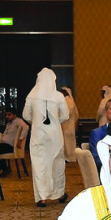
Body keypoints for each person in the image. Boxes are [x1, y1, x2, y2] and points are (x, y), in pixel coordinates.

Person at [24, 68, 70, 207]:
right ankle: (60, 194)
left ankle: (42, 197)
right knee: (57, 163)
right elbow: (66, 116)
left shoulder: (32, 95)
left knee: (39, 164)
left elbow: (26, 116)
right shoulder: (59, 96)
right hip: (55, 135)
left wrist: (37, 123)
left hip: (38, 135)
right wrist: (55, 122)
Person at [61, 86, 79, 163]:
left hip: (68, 125)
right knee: (66, 142)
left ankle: (70, 158)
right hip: (65, 125)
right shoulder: (65, 100)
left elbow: (69, 113)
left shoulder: (69, 100)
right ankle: (67, 157)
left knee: (69, 143)